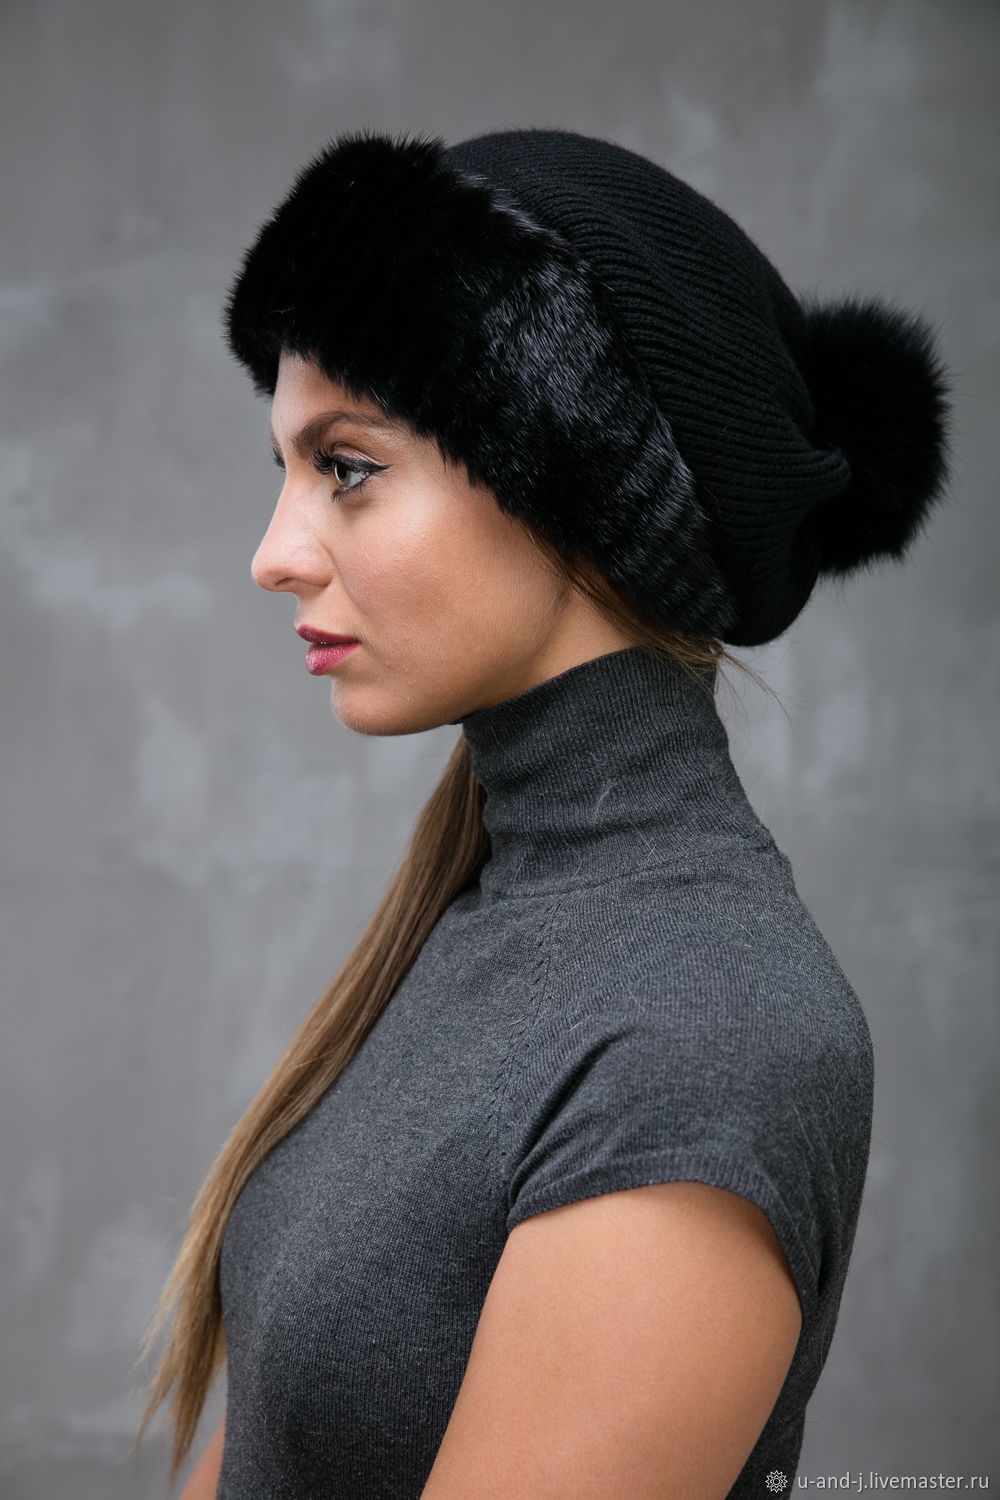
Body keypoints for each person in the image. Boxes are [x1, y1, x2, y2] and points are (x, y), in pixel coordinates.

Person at [140, 128, 949, 1498]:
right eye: (285, 468)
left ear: (572, 479)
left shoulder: (708, 1034)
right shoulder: (482, 915)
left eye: (347, 465)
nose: (275, 555)